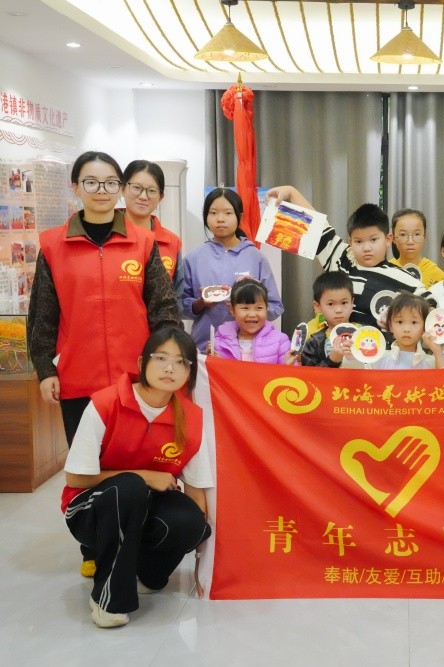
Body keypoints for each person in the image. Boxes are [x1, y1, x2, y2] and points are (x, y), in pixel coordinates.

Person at [27, 151, 180, 579]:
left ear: (120, 189)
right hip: (79, 380)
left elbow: (163, 311)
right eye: (91, 182)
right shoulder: (53, 245)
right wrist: (46, 369)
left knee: (139, 463)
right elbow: (42, 315)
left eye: (110, 182)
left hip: (137, 381)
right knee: (88, 468)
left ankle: (140, 541)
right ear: (75, 187)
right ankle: (92, 546)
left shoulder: (142, 243)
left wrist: (167, 366)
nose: (102, 191)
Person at [62, 326, 213, 628]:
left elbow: (196, 491)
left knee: (192, 522)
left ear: (189, 372)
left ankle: (149, 574)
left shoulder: (191, 418)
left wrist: (196, 539)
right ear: (143, 362)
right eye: (161, 358)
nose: (170, 368)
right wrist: (144, 475)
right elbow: (75, 478)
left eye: (181, 362)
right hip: (90, 511)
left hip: (145, 511)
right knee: (129, 488)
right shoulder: (105, 403)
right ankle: (108, 600)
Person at [267, 186, 430, 336]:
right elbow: (317, 226)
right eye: (359, 241)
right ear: (350, 242)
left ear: (388, 239)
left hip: (380, 353)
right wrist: (291, 192)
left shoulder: (406, 280)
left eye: (373, 240)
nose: (366, 248)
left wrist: (398, 317)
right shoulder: (343, 259)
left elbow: (432, 308)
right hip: (335, 350)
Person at [182, 188, 283, 352]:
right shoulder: (193, 258)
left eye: (228, 213)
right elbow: (180, 307)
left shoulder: (255, 257)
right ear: (206, 217)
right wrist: (201, 302)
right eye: (213, 213)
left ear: (239, 217)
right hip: (205, 347)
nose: (220, 219)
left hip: (249, 350)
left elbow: (275, 307)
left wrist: (251, 302)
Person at [121, 160, 184, 295]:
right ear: (122, 189)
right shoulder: (107, 236)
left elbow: (177, 296)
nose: (143, 196)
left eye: (152, 191)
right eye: (136, 188)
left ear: (161, 197)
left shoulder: (172, 243)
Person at [212, 278, 294, 364]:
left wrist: (288, 366)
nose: (252, 314)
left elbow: (291, 371)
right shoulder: (220, 340)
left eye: (259, 308)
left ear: (267, 309)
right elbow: (215, 370)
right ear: (232, 310)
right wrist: (213, 360)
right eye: (245, 308)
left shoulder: (280, 341)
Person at [372, 292, 443, 369]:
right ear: (390, 326)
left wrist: (437, 352)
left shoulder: (432, 362)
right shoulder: (378, 360)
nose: (406, 329)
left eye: (414, 322)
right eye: (400, 322)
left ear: (424, 327)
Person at [301, 271, 356, 368]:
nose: (338, 310)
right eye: (331, 304)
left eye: (344, 303)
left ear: (352, 302)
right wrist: (332, 361)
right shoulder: (314, 343)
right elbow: (309, 374)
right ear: (317, 306)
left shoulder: (364, 333)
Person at [390, 208, 444, 287]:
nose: (410, 242)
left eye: (416, 234)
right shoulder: (386, 271)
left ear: (424, 236)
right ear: (393, 238)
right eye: (403, 234)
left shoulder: (436, 274)